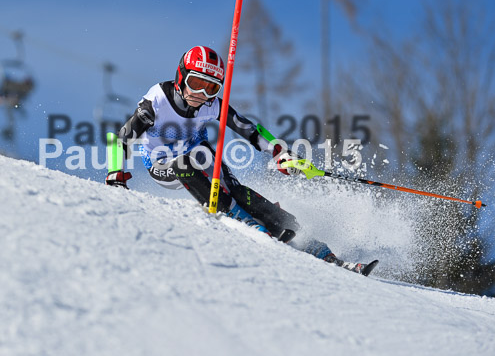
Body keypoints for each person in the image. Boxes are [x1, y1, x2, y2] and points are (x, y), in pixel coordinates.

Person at [105, 45, 377, 275]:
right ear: (181, 76)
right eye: (196, 83)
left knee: (234, 187)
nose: (201, 94)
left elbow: (248, 128)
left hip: (198, 152)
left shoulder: (213, 104)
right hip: (162, 164)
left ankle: (318, 247)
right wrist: (115, 172)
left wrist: (278, 151)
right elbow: (121, 138)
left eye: (210, 87)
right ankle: (242, 220)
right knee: (183, 164)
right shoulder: (156, 101)